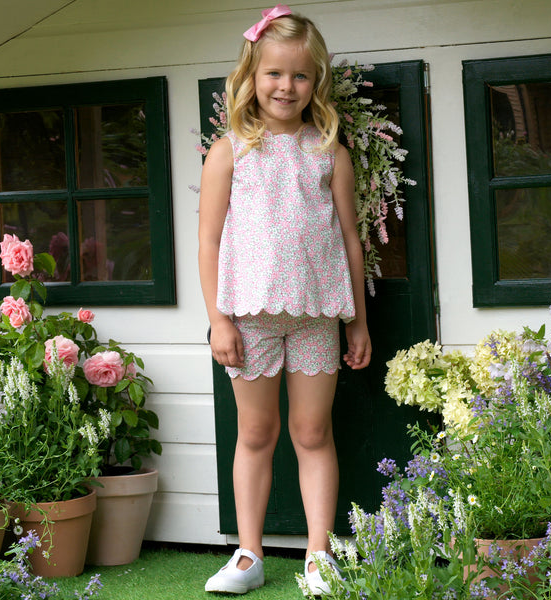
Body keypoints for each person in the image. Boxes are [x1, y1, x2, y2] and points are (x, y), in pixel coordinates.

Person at [198, 4, 371, 595]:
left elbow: (350, 240)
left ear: (314, 82)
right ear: (252, 75)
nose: (286, 86)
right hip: (248, 319)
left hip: (317, 315)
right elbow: (209, 238)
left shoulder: (330, 152)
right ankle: (249, 556)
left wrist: (358, 323)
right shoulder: (230, 150)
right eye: (274, 73)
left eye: (299, 75)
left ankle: (319, 557)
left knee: (312, 431)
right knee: (256, 433)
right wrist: (218, 318)